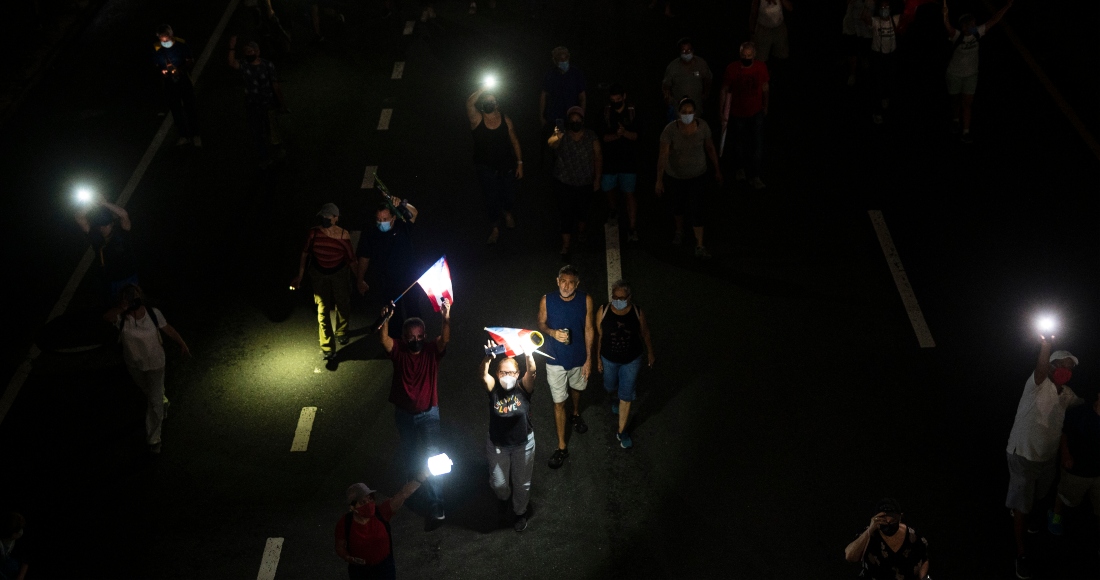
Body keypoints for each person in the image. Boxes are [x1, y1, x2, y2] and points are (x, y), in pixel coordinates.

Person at [1004, 338, 1080, 579]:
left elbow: (1086, 409)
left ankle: (1025, 516)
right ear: (1050, 366)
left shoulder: (1068, 395)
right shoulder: (1037, 384)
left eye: (1070, 367)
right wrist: (1046, 344)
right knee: (1022, 505)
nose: (1065, 371)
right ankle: (1021, 554)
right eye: (1061, 365)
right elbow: (1039, 367)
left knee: (1039, 495)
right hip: (1023, 455)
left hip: (1047, 459)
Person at [379, 299, 451, 522]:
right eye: (411, 337)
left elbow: (445, 338)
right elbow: (384, 341)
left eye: (420, 336)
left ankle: (436, 500)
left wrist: (446, 316)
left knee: (434, 458)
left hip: (429, 413)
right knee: (410, 455)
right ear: (404, 337)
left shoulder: (432, 351)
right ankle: (412, 492)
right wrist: (385, 319)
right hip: (404, 414)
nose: (416, 340)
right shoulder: (399, 350)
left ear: (425, 335)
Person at [103, 284, 190, 455]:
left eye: (135, 296)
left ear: (140, 296)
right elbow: (106, 317)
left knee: (154, 403)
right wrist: (122, 308)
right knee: (149, 392)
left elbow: (168, 329)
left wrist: (182, 343)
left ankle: (154, 438)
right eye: (129, 298)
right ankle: (162, 400)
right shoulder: (121, 318)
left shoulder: (153, 313)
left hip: (156, 364)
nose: (134, 300)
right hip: (135, 365)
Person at [537, 265, 593, 469]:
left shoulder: (586, 300)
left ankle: (576, 413)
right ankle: (562, 447)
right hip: (555, 360)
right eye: (563, 281)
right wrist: (552, 333)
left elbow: (589, 328)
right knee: (558, 401)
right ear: (557, 281)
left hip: (578, 358)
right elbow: (541, 323)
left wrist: (588, 359)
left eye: (571, 282)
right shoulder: (547, 300)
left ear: (577, 284)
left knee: (578, 388)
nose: (566, 286)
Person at [655, 97, 723, 258]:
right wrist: (659, 179)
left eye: (690, 112)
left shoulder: (703, 127)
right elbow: (663, 155)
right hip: (676, 176)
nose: (687, 115)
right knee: (678, 206)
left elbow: (710, 148)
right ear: (678, 113)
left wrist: (717, 170)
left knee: (697, 208)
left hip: (698, 175)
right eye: (684, 112)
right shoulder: (670, 130)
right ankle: (679, 231)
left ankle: (699, 244)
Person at [480, 344, 538, 532]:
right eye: (503, 372)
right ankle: (504, 498)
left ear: (518, 374)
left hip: (523, 444)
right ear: (497, 374)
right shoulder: (493, 390)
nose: (507, 376)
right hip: (498, 445)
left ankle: (520, 512)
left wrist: (529, 354)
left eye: (512, 372)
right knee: (499, 484)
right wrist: (487, 358)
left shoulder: (524, 388)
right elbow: (483, 375)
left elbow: (533, 371)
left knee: (522, 483)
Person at [290, 204, 359, 361]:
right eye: (323, 216)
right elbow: (305, 254)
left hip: (339, 273)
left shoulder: (343, 235)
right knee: (322, 310)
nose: (325, 219)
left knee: (343, 303)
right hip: (319, 274)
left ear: (336, 218)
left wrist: (360, 280)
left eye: (328, 216)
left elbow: (351, 260)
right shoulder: (313, 233)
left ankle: (341, 331)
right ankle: (327, 346)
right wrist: (300, 276)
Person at [942, 0, 1013, 143]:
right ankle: (956, 120)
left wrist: (1007, 6)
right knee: (955, 100)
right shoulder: (957, 36)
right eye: (971, 25)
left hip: (971, 75)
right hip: (954, 74)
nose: (974, 27)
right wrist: (945, 14)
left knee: (967, 103)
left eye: (974, 24)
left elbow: (994, 20)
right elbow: (947, 25)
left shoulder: (976, 33)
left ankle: (966, 131)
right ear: (964, 26)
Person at [596, 280, 654, 449]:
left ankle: (622, 431)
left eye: (622, 297)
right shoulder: (603, 311)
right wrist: (598, 358)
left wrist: (650, 352)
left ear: (629, 297)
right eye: (615, 297)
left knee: (626, 395)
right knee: (609, 385)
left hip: (632, 360)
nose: (618, 300)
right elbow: (600, 336)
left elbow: (645, 333)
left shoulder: (637, 312)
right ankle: (615, 397)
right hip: (609, 359)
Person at [335, 477, 427, 579]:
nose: (368, 504)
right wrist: (348, 557)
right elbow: (340, 546)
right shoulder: (345, 523)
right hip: (360, 571)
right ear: (352, 507)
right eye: (362, 502)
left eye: (370, 498)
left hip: (384, 567)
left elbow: (403, 494)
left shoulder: (381, 512)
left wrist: (420, 479)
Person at [466, 84, 523, 245]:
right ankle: (495, 228)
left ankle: (507, 212)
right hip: (485, 167)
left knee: (509, 194)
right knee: (491, 198)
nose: (490, 104)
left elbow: (514, 140)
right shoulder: (477, 120)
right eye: (486, 101)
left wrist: (520, 163)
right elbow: (469, 103)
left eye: (492, 101)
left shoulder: (505, 120)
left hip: (506, 165)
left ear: (497, 104)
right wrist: (483, 89)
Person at [357, 202, 421, 340]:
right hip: (388, 282)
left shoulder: (403, 227)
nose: (381, 223)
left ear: (393, 218)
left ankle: (416, 340)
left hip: (409, 280)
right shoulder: (370, 233)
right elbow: (364, 258)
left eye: (385, 219)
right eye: (378, 219)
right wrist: (360, 279)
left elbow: (414, 213)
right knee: (393, 315)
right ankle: (395, 344)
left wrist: (401, 203)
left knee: (413, 311)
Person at [1048, 391, 1100, 550]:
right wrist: (1065, 454)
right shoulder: (1081, 412)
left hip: (1098, 474)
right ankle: (1056, 514)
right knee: (1067, 498)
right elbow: (1064, 433)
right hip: (1077, 470)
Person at [547, 106, 601, 258]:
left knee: (582, 212)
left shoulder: (591, 136)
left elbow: (598, 156)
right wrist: (557, 136)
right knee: (566, 214)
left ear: (583, 121)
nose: (575, 122)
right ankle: (566, 246)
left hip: (585, 182)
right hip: (564, 182)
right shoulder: (562, 135)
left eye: (578, 120)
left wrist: (597, 178)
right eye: (572, 120)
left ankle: (582, 232)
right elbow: (551, 144)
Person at [227, 36, 286, 168]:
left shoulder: (267, 65)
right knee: (257, 132)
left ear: (257, 51)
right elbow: (232, 63)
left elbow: (276, 85)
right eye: (246, 52)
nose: (248, 54)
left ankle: (278, 151)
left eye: (251, 51)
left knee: (272, 129)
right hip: (252, 105)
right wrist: (232, 47)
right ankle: (264, 157)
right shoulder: (245, 65)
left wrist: (281, 103)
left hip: (267, 103)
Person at [719, 41, 770, 190]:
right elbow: (724, 89)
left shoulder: (761, 67)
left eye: (749, 55)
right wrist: (721, 111)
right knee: (739, 143)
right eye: (743, 55)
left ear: (754, 55)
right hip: (737, 113)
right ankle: (740, 170)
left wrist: (766, 106)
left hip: (756, 113)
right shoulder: (732, 68)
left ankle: (755, 176)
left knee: (757, 145)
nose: (746, 57)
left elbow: (766, 87)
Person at [843, 498, 930, 580]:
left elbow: (924, 560)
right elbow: (850, 556)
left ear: (900, 518)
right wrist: (870, 530)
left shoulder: (914, 537)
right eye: (883, 519)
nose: (888, 522)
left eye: (892, 520)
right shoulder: (868, 534)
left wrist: (923, 578)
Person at [76, 194, 139, 305]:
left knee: (133, 304)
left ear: (112, 223)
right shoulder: (96, 237)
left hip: (128, 277)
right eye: (100, 225)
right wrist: (93, 204)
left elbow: (123, 214)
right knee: (116, 306)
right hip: (110, 280)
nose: (103, 228)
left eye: (106, 225)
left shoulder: (122, 233)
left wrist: (103, 203)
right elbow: (79, 217)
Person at [598, 84, 641, 241]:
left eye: (618, 99)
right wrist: (618, 135)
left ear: (624, 96)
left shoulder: (632, 112)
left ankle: (632, 227)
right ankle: (613, 209)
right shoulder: (606, 113)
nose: (616, 102)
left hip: (629, 162)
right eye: (612, 99)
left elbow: (637, 136)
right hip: (610, 162)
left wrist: (625, 133)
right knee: (608, 188)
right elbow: (603, 138)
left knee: (629, 194)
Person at [153, 25, 201, 147]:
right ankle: (183, 135)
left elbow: (190, 60)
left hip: (183, 80)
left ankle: (196, 134)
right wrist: (163, 73)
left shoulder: (181, 44)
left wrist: (180, 70)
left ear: (171, 35)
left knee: (190, 107)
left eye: (166, 38)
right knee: (176, 110)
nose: (165, 42)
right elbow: (156, 65)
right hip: (169, 84)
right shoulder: (157, 48)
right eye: (162, 40)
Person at [539, 46, 586, 142]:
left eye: (565, 58)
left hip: (572, 117)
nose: (563, 61)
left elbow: (582, 97)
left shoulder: (576, 74)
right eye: (560, 59)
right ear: (555, 60)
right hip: (556, 118)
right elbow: (543, 96)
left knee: (572, 143)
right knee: (557, 143)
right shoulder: (550, 75)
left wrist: (582, 115)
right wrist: (541, 116)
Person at [661, 38, 712, 121]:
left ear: (693, 50)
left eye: (688, 50)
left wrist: (706, 93)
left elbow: (708, 79)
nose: (686, 53)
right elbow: (666, 86)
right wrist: (669, 101)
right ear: (680, 52)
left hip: (697, 107)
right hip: (678, 108)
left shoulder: (701, 63)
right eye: (683, 51)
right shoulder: (673, 67)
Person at [869, 0, 901, 124]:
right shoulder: (875, 21)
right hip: (878, 56)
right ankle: (877, 112)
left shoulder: (895, 19)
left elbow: (908, 16)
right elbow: (865, 18)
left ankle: (886, 98)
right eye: (882, 7)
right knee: (877, 83)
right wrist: (869, 4)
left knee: (890, 80)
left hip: (891, 56)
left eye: (887, 7)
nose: (884, 9)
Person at [842, 0, 875, 86]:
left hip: (867, 27)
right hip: (853, 26)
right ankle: (852, 74)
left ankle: (866, 75)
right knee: (853, 53)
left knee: (866, 53)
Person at [0, 512, 29, 580]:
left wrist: (21, 576)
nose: (21, 532)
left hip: (7, 564)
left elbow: (26, 557)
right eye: (18, 531)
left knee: (13, 566)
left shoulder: (20, 538)